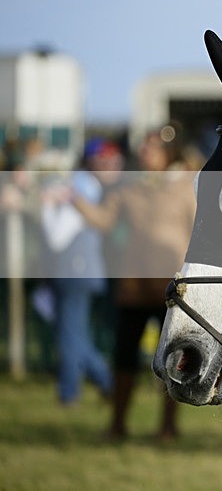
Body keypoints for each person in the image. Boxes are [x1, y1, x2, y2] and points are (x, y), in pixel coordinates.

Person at [72, 131, 196, 440]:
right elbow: (103, 220)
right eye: (143, 148)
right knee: (124, 360)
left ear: (170, 153)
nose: (143, 152)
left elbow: (198, 233)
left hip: (171, 293)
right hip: (134, 290)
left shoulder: (186, 189)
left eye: (151, 148)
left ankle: (168, 427)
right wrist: (74, 200)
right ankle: (117, 424)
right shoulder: (130, 188)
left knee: (172, 362)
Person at [39, 139, 120, 406]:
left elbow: (57, 237)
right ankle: (107, 382)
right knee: (75, 333)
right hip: (81, 271)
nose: (108, 163)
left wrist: (47, 205)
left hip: (73, 271)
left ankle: (71, 393)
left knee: (69, 334)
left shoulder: (80, 185)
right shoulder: (87, 184)